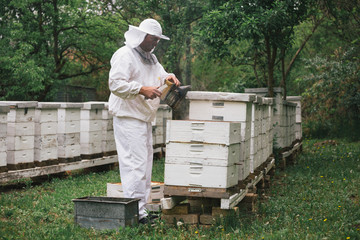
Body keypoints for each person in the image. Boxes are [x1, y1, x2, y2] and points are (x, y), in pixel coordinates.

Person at [108, 19, 180, 224]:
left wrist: (170, 77)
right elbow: (115, 84)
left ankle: (142, 210)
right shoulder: (124, 55)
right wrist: (141, 89)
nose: (156, 42)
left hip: (143, 117)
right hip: (128, 117)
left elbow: (160, 76)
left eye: (158, 40)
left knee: (145, 164)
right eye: (153, 38)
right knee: (134, 165)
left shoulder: (151, 58)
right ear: (142, 36)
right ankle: (135, 214)